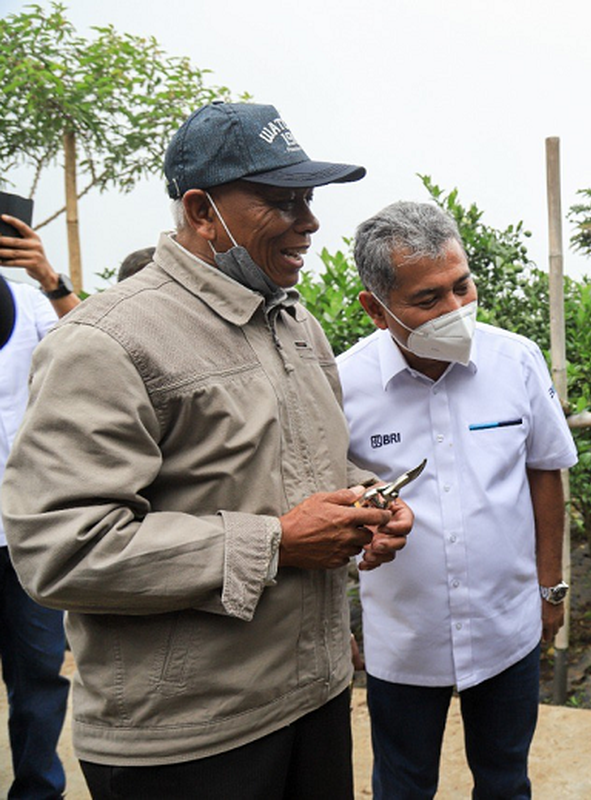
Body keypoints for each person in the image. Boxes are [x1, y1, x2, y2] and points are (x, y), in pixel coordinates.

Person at [0, 101, 413, 800]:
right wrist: (278, 542)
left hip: (311, 697)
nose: (308, 223)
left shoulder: (294, 322)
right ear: (200, 210)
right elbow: (60, 549)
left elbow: (307, 463)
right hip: (188, 737)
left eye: (308, 200)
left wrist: (366, 499)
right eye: (282, 202)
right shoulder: (108, 341)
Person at [337, 200, 578, 799]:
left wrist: (550, 590)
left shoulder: (514, 360)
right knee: (403, 783)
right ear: (376, 308)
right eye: (429, 299)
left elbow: (545, 471)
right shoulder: (342, 385)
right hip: (404, 636)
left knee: (504, 780)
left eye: (462, 286)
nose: (456, 309)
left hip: (506, 627)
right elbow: (324, 502)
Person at [0, 218, 78, 799]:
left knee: (39, 680)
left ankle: (37, 792)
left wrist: (48, 276)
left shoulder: (31, 303)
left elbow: (101, 349)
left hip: (26, 536)